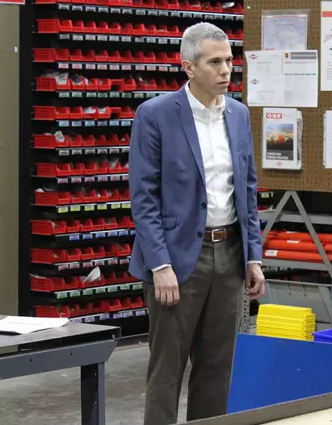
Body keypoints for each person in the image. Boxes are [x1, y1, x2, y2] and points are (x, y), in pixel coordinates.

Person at [128, 22, 265, 424]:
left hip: (229, 254)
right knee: (167, 370)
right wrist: (160, 265)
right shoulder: (155, 114)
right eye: (214, 62)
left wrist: (253, 257)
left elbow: (247, 190)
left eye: (229, 61)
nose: (226, 70)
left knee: (217, 369)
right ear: (188, 66)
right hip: (176, 261)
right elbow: (144, 198)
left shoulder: (238, 115)